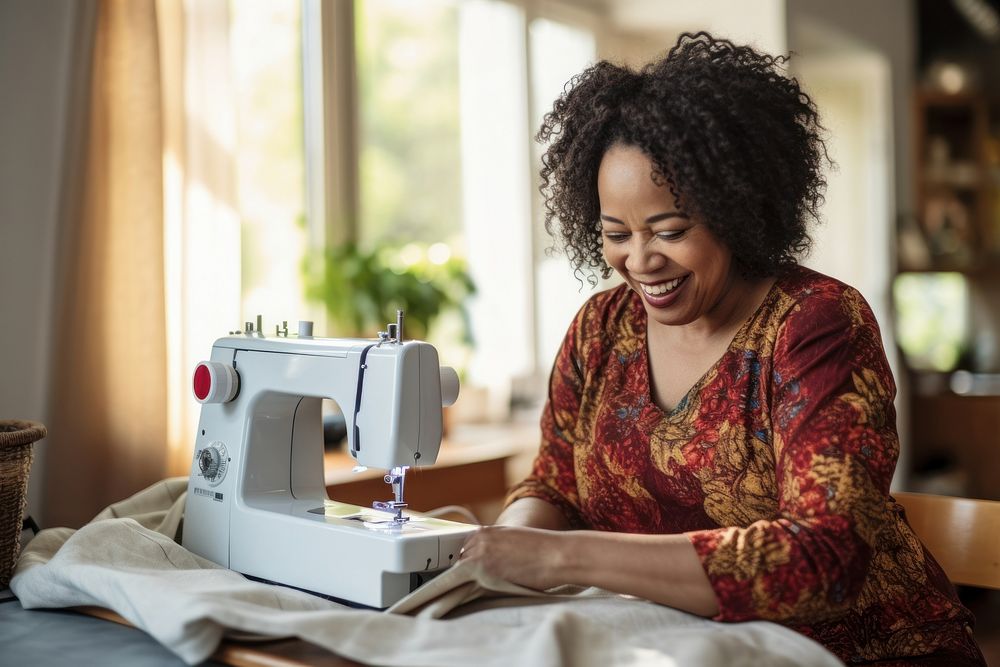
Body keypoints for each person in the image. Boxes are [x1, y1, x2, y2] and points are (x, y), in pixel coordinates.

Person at [457, 32, 986, 666]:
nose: (640, 260)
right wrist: (494, 554)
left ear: (738, 211)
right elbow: (556, 485)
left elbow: (826, 555)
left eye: (671, 231)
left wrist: (559, 557)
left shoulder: (816, 324)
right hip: (683, 649)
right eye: (615, 234)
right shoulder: (601, 330)